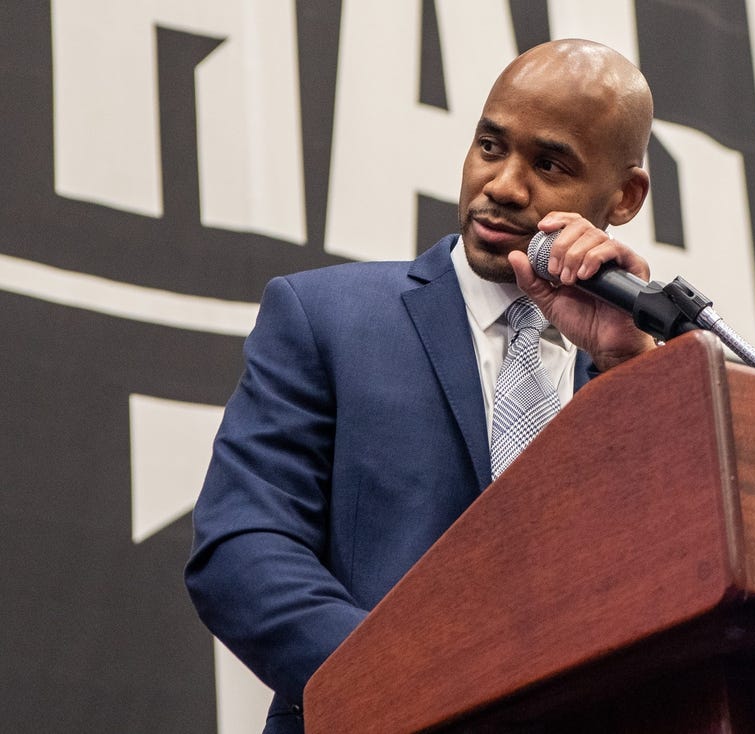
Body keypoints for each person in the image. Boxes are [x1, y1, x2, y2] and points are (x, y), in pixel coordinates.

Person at [185, 38, 657, 734]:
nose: (502, 185)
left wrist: (630, 370)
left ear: (624, 197)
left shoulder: (638, 369)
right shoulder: (326, 318)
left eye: (549, 164)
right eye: (490, 146)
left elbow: (667, 574)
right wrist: (422, 691)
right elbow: (242, 551)